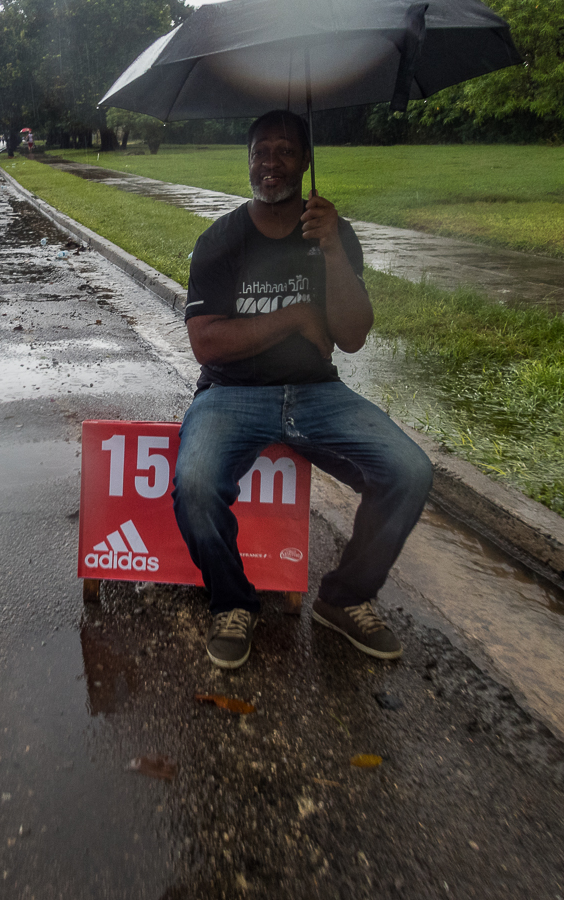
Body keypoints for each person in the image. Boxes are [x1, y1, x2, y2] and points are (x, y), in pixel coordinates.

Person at [172, 109, 432, 670]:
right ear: (247, 161)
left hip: (317, 393)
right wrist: (291, 316)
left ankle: (344, 598)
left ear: (305, 161)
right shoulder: (219, 241)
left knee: (409, 471)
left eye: (285, 151)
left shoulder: (333, 235)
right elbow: (207, 345)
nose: (271, 163)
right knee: (194, 483)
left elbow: (354, 335)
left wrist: (334, 249)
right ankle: (233, 604)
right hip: (231, 393)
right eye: (260, 151)